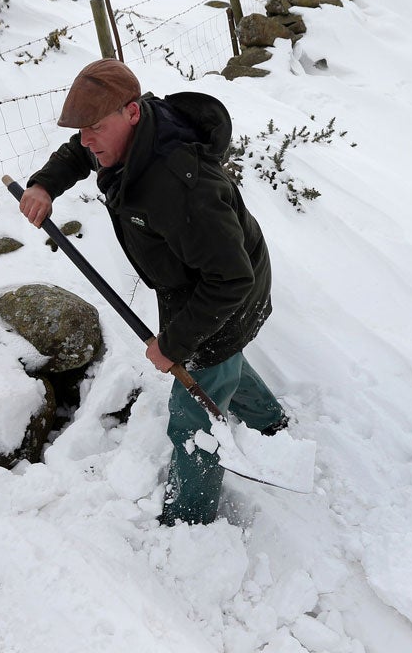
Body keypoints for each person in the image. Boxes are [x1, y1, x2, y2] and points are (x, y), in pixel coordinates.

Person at [17, 58, 288, 526]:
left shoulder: (182, 185)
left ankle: (188, 521)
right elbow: (82, 150)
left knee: (194, 407)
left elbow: (230, 279)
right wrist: (45, 184)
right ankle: (270, 423)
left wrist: (173, 345)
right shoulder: (119, 140)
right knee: (218, 364)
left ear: (133, 112)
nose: (86, 140)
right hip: (193, 283)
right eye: (81, 129)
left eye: (94, 128)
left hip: (226, 291)